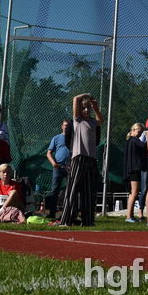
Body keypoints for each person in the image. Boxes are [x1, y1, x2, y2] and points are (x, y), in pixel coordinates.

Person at [59, 93, 102, 227]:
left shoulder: (92, 122)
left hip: (91, 158)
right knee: (72, 189)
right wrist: (88, 95)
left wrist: (95, 107)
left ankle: (88, 221)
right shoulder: (77, 120)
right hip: (78, 157)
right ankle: (66, 220)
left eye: (88, 108)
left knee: (88, 191)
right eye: (84, 108)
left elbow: (101, 120)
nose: (86, 110)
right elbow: (75, 99)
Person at [44, 119, 71, 219]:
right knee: (54, 190)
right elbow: (49, 153)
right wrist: (54, 163)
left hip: (70, 167)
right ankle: (52, 213)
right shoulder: (56, 138)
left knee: (71, 190)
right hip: (58, 167)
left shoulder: (73, 138)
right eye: (65, 125)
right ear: (61, 126)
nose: (66, 127)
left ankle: (69, 213)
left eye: (68, 126)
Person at [123, 123, 147, 223]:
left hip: (130, 170)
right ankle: (129, 216)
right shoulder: (134, 140)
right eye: (139, 131)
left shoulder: (130, 141)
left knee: (131, 193)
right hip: (134, 170)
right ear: (132, 130)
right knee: (134, 192)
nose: (140, 133)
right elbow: (143, 145)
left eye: (142, 132)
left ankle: (130, 215)